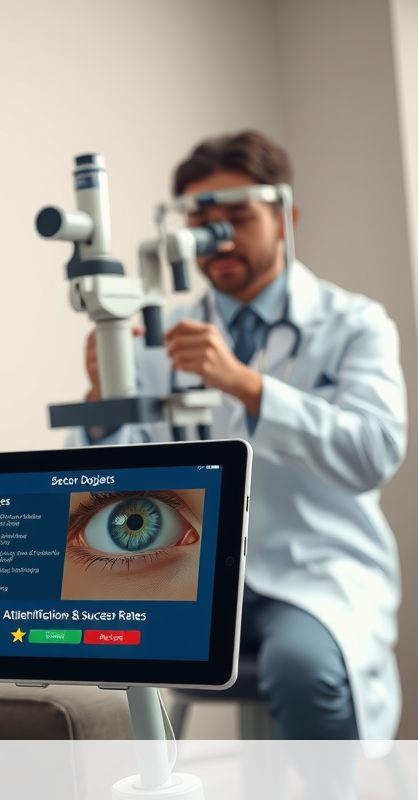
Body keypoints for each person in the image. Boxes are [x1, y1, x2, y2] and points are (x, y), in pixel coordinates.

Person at [77, 131, 406, 743]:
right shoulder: (158, 336)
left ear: (285, 218)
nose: (218, 240)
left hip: (315, 569)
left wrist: (246, 385)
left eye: (238, 219)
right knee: (80, 644)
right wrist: (102, 408)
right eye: (202, 224)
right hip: (191, 571)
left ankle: (327, 787)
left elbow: (373, 454)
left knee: (302, 670)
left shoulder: (354, 324)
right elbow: (108, 488)